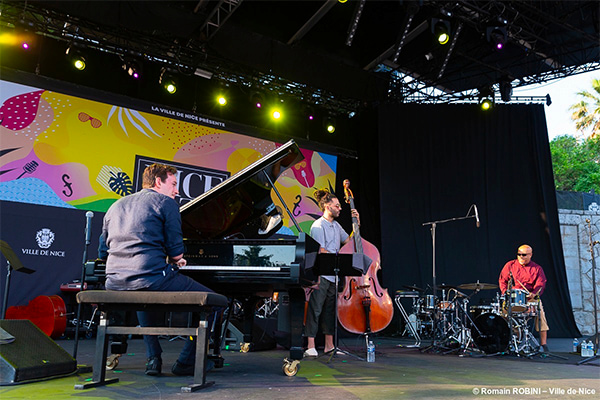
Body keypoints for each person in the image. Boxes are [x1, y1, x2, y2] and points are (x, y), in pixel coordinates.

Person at [102, 163, 216, 376]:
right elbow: (176, 253)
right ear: (158, 182)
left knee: (142, 295)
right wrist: (177, 260)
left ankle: (153, 358)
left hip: (114, 281)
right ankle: (186, 362)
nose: (177, 190)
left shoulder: (115, 206)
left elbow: (103, 251)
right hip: (151, 278)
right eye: (173, 184)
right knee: (215, 302)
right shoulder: (166, 203)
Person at [304, 188, 359, 357]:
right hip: (321, 274)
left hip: (333, 275)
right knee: (316, 309)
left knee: (330, 311)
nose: (340, 208)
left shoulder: (336, 225)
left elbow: (349, 242)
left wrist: (357, 223)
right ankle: (310, 346)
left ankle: (329, 345)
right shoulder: (318, 226)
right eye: (337, 205)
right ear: (328, 206)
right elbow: (320, 251)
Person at [498, 244, 549, 352]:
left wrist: (534, 293)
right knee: (502, 315)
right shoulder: (510, 265)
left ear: (530, 255)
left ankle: (543, 344)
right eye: (519, 254)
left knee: (540, 315)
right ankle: (506, 340)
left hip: (530, 297)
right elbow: (502, 281)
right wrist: (505, 292)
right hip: (512, 297)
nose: (521, 256)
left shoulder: (536, 268)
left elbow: (541, 284)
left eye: (524, 255)